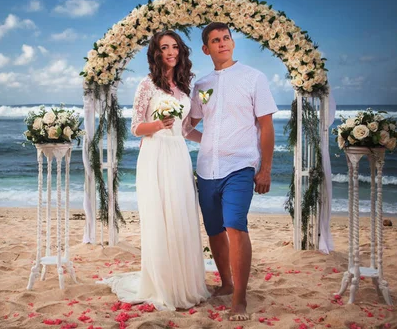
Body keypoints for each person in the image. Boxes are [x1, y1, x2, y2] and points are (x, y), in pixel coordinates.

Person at [100, 30, 210, 311]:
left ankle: (183, 283)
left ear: (180, 51)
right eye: (164, 47)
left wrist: (211, 137)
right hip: (155, 154)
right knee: (160, 217)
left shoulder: (185, 87)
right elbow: (136, 126)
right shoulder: (146, 84)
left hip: (178, 156)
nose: (171, 52)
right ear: (156, 52)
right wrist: (158, 124)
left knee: (181, 214)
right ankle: (162, 286)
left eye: (175, 47)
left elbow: (185, 130)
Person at [188, 22, 277, 321]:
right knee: (214, 230)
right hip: (206, 169)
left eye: (226, 38)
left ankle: (240, 298)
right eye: (215, 40)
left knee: (235, 226)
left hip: (240, 165)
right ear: (206, 48)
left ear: (233, 42)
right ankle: (226, 283)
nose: (222, 43)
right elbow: (190, 126)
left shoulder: (254, 78)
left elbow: (266, 126)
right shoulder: (201, 86)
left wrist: (265, 169)